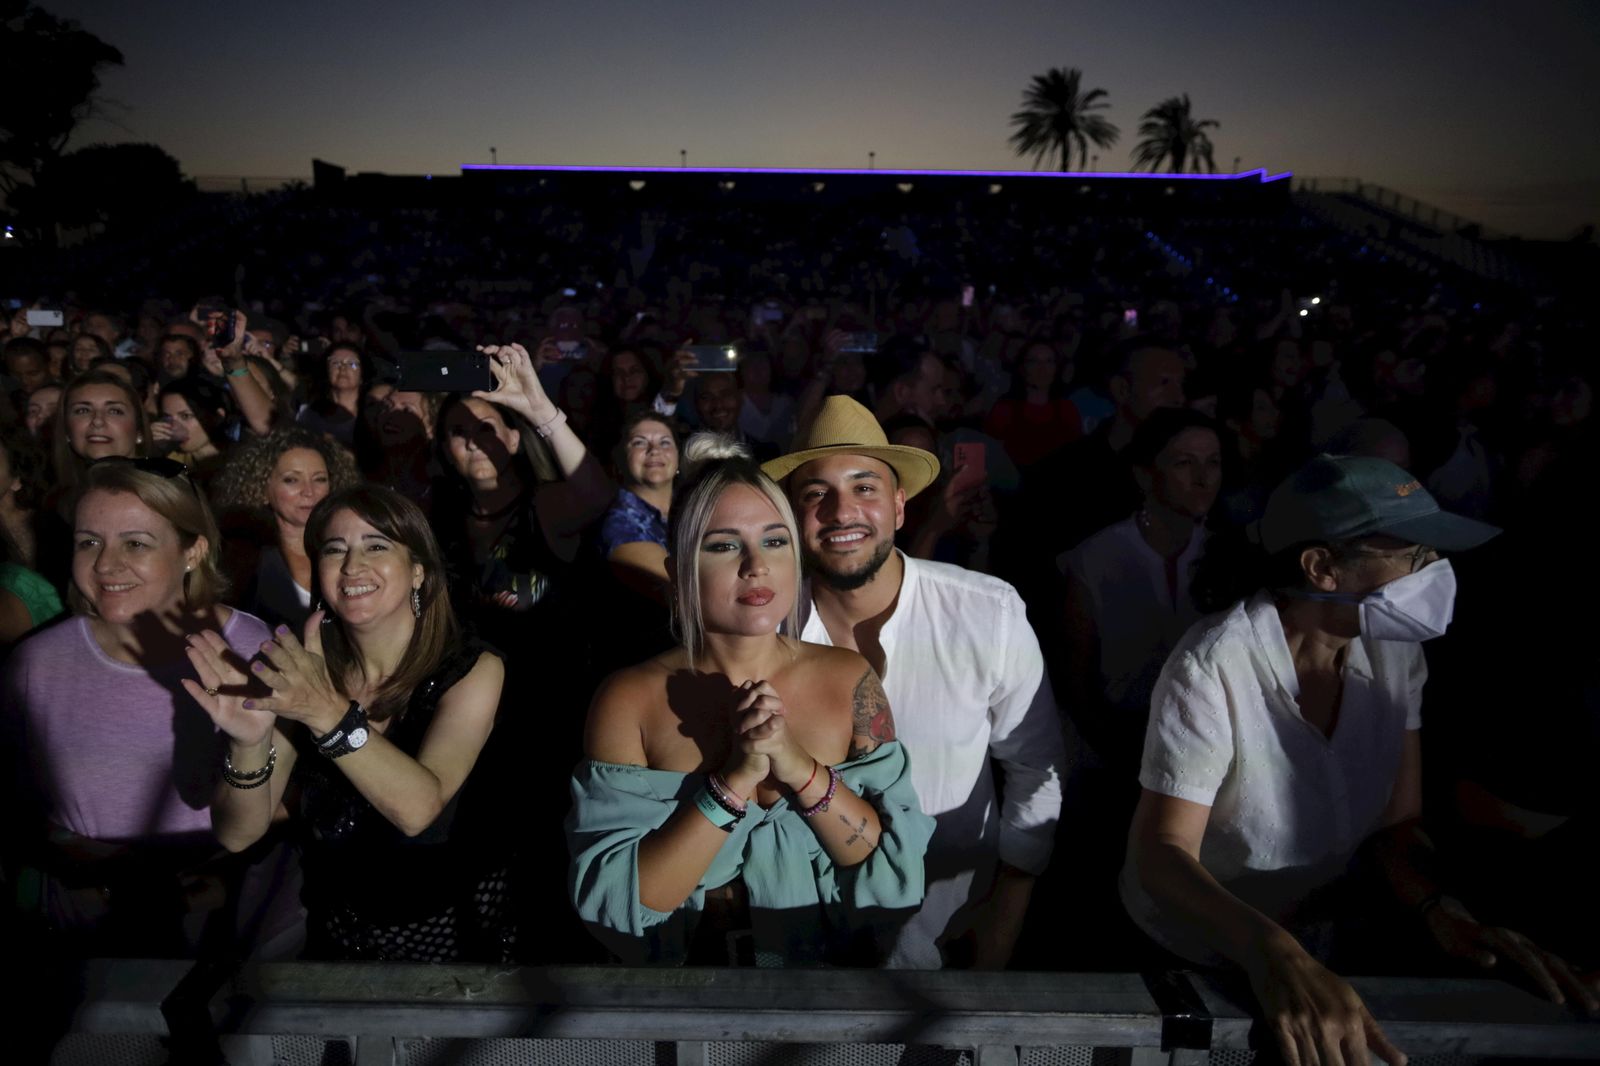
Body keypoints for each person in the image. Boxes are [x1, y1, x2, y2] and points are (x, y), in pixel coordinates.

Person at [1122, 454, 1596, 1066]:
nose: (1433, 569)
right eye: (1413, 552)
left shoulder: (1397, 656)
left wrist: (1440, 911)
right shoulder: (1213, 665)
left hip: (1316, 947)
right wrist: (1273, 952)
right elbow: (1163, 855)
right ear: (1321, 567)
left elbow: (1395, 827)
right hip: (1203, 949)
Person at [568, 433, 933, 966]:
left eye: (775, 541)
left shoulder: (849, 678)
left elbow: (894, 875)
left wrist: (799, 767)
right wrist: (734, 781)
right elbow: (619, 904)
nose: (756, 565)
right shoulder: (630, 699)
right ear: (678, 572)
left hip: (837, 1003)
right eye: (723, 545)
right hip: (693, 1010)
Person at [761, 396, 1065, 970]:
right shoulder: (762, 627)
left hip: (952, 934)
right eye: (815, 493)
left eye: (865, 488)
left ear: (900, 507)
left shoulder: (986, 613)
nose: (841, 510)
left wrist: (1004, 919)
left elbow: (1035, 767)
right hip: (801, 947)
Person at [190, 484, 513, 962]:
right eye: (334, 549)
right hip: (337, 941)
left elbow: (419, 809)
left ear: (418, 570)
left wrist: (326, 712)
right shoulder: (306, 674)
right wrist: (249, 742)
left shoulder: (472, 669)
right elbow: (239, 832)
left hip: (457, 944)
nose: (351, 565)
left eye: (376, 546)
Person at [2, 457, 271, 953]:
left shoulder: (254, 649)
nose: (106, 564)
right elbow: (16, 806)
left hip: (215, 932)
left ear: (194, 551)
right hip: (76, 939)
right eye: (89, 542)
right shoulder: (35, 663)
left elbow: (284, 806)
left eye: (136, 543)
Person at [1060, 408, 1223, 773]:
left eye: (1213, 463)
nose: (1203, 478)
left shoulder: (1225, 554)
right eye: (1184, 463)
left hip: (1207, 740)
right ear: (1146, 475)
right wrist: (1112, 745)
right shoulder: (1098, 557)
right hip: (1116, 741)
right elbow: (1075, 676)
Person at [211, 428, 361, 631]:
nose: (309, 491)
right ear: (261, 489)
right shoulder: (244, 557)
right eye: (291, 480)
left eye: (319, 479)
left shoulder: (353, 545)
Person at [599, 411, 679, 598]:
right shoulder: (619, 524)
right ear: (620, 460)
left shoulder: (691, 505)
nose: (655, 450)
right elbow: (680, 597)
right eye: (639, 442)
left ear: (678, 457)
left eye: (665, 442)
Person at [983, 340, 1084, 468]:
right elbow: (990, 459)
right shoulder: (1004, 410)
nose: (1042, 369)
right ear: (1022, 368)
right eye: (1034, 361)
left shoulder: (1067, 409)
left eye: (1049, 361)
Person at [295, 343, 367, 447]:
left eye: (352, 364)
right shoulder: (309, 415)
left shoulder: (372, 414)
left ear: (362, 376)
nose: (342, 368)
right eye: (335, 362)